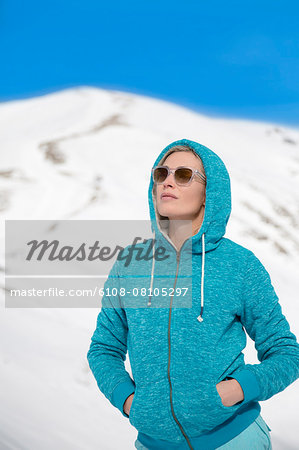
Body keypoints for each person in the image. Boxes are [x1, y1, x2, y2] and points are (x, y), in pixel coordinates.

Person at [87, 138, 299, 450]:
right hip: (153, 444)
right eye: (162, 174)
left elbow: (286, 353)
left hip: (234, 439)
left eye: (183, 175)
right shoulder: (130, 265)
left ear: (207, 194)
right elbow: (103, 349)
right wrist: (130, 401)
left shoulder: (239, 265)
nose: (168, 181)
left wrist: (237, 390)